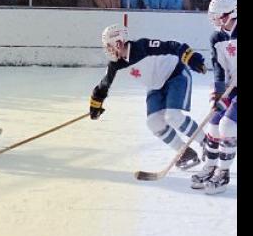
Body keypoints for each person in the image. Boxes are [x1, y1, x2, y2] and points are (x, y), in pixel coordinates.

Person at [89, 24, 208, 170]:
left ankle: (206, 142)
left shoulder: (142, 46)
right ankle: (185, 152)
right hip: (155, 86)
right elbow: (104, 85)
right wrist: (96, 103)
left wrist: (191, 58)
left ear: (118, 43)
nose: (108, 50)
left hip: (175, 75)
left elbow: (172, 46)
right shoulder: (116, 65)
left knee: (173, 116)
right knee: (153, 123)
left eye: (109, 46)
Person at [190, 0, 237, 194]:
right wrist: (219, 92)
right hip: (231, 85)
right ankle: (210, 166)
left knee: (228, 125)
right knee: (214, 124)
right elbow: (218, 66)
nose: (216, 19)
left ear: (232, 14)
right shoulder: (216, 37)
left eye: (219, 15)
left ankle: (223, 173)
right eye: (214, 15)